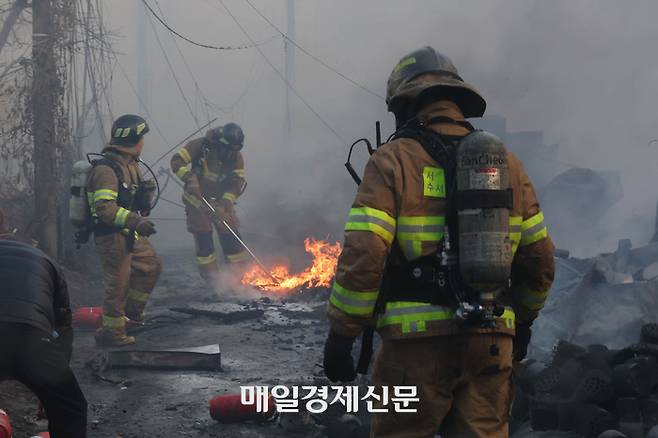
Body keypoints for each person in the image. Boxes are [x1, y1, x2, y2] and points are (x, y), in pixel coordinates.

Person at [323, 47, 555, 437]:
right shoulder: (507, 165)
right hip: (491, 341)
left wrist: (342, 334)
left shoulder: (391, 160)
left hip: (415, 347)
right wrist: (525, 322)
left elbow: (364, 256)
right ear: (457, 101)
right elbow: (539, 259)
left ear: (405, 105)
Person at [87, 114, 162, 347]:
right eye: (141, 138)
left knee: (150, 265)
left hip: (128, 232)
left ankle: (131, 317)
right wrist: (136, 222)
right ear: (133, 140)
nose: (143, 143)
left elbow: (133, 202)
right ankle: (112, 333)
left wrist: (144, 197)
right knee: (117, 285)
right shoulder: (106, 170)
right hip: (110, 235)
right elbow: (105, 209)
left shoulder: (131, 166)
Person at [0, 238, 87, 438]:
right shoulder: (46, 261)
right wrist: (52, 381)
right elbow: (63, 327)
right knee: (70, 408)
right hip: (31, 337)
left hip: (27, 332)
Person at [170, 123, 249, 285]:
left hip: (220, 201)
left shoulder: (236, 156)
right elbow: (176, 161)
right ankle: (214, 282)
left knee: (231, 235)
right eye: (227, 150)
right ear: (219, 143)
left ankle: (238, 278)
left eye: (234, 151)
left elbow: (237, 182)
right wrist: (189, 179)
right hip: (197, 200)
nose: (229, 154)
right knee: (204, 240)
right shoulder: (200, 146)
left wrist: (226, 202)